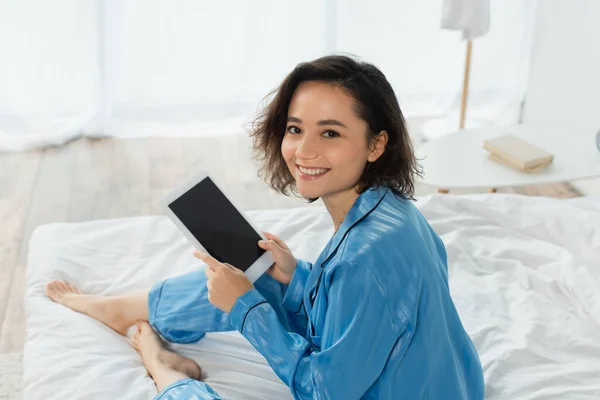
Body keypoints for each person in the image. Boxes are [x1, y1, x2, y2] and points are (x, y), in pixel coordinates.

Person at [46, 54, 485, 399]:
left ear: (376, 144)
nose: (303, 151)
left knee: (244, 293)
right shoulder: (395, 211)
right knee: (252, 273)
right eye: (296, 129)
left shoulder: (363, 258)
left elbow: (323, 391)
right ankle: (124, 308)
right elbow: (370, 311)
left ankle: (169, 373)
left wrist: (245, 309)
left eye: (330, 133)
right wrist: (296, 276)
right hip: (455, 386)